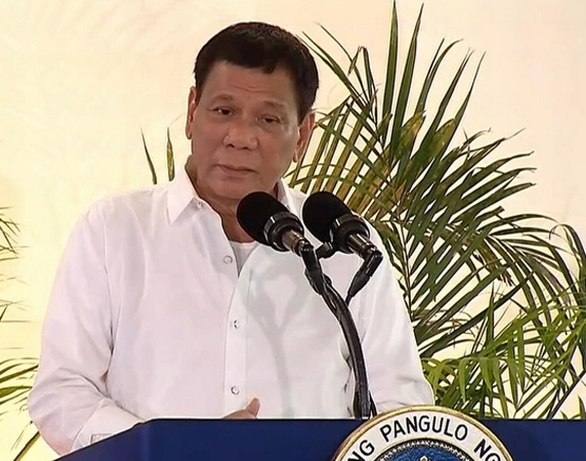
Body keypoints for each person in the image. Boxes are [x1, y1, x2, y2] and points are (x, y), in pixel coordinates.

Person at [28, 21, 434, 456]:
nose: (239, 137)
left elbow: (401, 405)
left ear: (302, 135)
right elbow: (62, 394)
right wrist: (179, 449)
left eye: (268, 119)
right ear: (191, 112)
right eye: (223, 111)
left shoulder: (344, 246)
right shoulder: (115, 231)